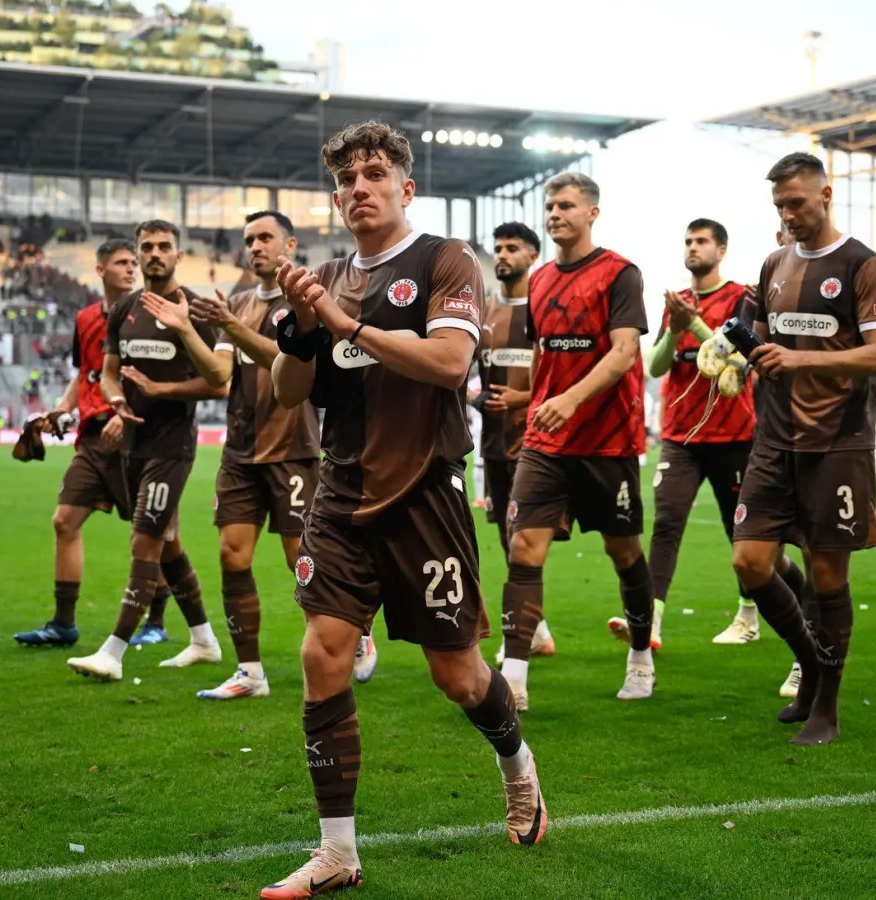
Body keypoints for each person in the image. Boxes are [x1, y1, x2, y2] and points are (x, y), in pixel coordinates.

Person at [260, 121, 547, 897]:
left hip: (425, 492)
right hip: (342, 491)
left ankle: (517, 765)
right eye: (346, 178)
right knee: (322, 650)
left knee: (456, 675)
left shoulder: (443, 261)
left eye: (374, 173)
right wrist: (304, 332)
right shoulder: (325, 276)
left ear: (405, 188)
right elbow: (287, 395)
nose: (359, 186)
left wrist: (348, 324)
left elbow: (452, 362)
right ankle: (337, 853)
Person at [705, 151, 876, 746]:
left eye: (798, 203)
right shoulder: (773, 264)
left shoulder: (864, 265)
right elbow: (761, 338)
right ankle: (811, 664)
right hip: (773, 439)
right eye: (780, 206)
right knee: (749, 563)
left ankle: (826, 706)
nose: (789, 215)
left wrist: (799, 358)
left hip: (837, 442)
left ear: (826, 195)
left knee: (826, 574)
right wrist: (734, 355)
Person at [183, 210, 361, 701]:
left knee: (300, 560)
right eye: (249, 239)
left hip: (293, 449)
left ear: (288, 243)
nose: (255, 246)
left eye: (265, 237)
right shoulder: (236, 302)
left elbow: (286, 360)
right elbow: (220, 375)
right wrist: (186, 330)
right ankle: (250, 673)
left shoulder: (305, 301)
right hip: (240, 451)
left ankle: (353, 633)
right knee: (231, 555)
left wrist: (232, 329)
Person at [501, 171, 655, 710]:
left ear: (592, 212)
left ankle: (641, 657)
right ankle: (514, 675)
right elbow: (540, 354)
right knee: (523, 546)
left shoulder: (620, 273)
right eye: (549, 205)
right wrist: (531, 405)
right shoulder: (538, 280)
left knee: (624, 551)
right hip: (547, 445)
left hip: (607, 442)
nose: (554, 213)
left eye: (565, 205)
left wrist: (568, 400)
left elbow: (622, 354)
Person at [65, 220, 228, 682]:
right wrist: (116, 400)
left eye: (164, 246)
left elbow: (219, 380)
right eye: (147, 247)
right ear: (138, 256)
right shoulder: (125, 310)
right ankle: (204, 641)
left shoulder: (195, 308)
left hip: (171, 447)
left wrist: (160, 389)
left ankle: (112, 653)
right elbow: (109, 372)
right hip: (130, 443)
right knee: (169, 543)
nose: (155, 254)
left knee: (145, 540)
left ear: (178, 254)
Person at [14, 238, 173, 648]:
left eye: (132, 263)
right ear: (100, 270)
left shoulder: (151, 313)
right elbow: (86, 373)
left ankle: (156, 622)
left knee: (157, 533)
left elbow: (155, 376)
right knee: (64, 521)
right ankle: (64, 623)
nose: (131, 269)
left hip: (137, 437)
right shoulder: (86, 318)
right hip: (92, 439)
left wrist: (128, 415)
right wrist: (62, 411)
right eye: (122, 263)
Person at [644, 218, 777, 647]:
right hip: (680, 436)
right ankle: (651, 622)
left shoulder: (742, 297)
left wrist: (694, 323)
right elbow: (657, 365)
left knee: (737, 529)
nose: (693, 248)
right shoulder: (677, 302)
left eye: (702, 241)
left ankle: (748, 617)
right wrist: (677, 326)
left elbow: (735, 358)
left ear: (721, 250)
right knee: (666, 522)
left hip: (733, 435)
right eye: (688, 241)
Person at [474, 221, 556, 666]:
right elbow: (470, 369)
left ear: (532, 256)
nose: (502, 255)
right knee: (509, 540)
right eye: (498, 248)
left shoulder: (543, 309)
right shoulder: (483, 311)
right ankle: (536, 627)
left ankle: (520, 633)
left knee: (525, 539)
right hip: (493, 444)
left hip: (535, 443)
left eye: (512, 248)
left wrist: (523, 398)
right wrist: (474, 393)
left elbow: (560, 373)